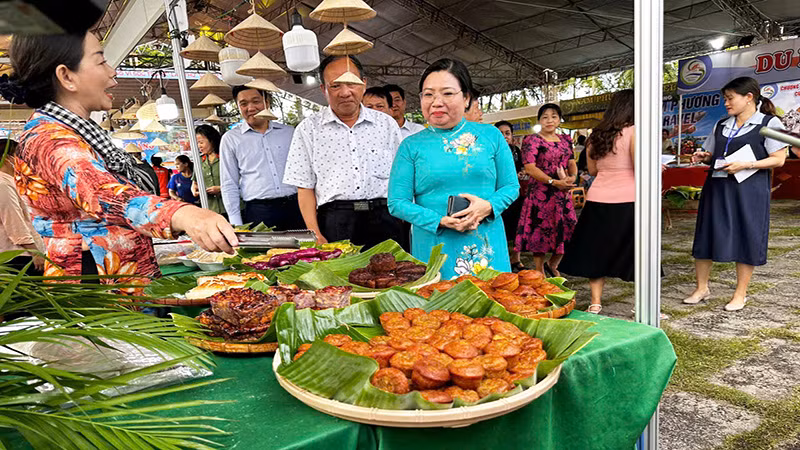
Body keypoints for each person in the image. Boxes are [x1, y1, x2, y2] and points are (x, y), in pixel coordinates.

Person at [0, 31, 236, 286]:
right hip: (95, 285)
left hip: (120, 275)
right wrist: (187, 215)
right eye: (101, 61)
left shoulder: (78, 130)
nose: (112, 73)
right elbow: (101, 192)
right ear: (67, 76)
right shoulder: (47, 138)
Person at [388, 58, 519, 278]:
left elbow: (510, 186)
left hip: (486, 242)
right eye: (428, 94)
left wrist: (487, 207)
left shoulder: (491, 136)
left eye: (447, 93)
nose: (436, 102)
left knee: (493, 306)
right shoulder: (410, 146)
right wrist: (438, 221)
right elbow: (396, 203)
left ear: (466, 98)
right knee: (439, 309)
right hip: (434, 247)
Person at [684, 77, 788, 312]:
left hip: (749, 191)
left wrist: (746, 165)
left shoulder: (771, 123)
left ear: (749, 97)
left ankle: (740, 294)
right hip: (717, 187)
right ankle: (702, 288)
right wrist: (704, 156)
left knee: (747, 235)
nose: (726, 103)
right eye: (725, 98)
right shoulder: (721, 125)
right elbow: (713, 153)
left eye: (730, 98)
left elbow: (779, 159)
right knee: (706, 233)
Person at [283, 55, 406, 249]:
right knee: (338, 278)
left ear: (363, 84)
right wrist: (315, 234)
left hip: (385, 218)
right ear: (323, 89)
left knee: (395, 276)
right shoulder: (309, 129)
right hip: (335, 222)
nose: (345, 92)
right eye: (335, 86)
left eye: (351, 83)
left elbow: (402, 176)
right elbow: (304, 187)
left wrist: (404, 220)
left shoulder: (386, 124)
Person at [559, 89, 638, 314]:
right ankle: (640, 303)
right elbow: (639, 167)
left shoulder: (596, 135)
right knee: (636, 251)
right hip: (628, 199)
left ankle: (595, 302)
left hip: (597, 198)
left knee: (596, 250)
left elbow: (592, 169)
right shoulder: (634, 131)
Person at [220, 85, 302, 229]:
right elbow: (229, 183)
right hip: (259, 212)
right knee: (264, 252)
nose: (250, 108)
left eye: (256, 101)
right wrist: (236, 224)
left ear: (267, 102)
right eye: (243, 104)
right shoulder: (231, 139)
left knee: (305, 250)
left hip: (296, 207)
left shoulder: (289, 133)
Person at [514, 103, 577, 277]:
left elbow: (571, 162)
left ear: (559, 119)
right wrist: (553, 181)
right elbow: (530, 167)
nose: (549, 120)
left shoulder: (566, 140)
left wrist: (572, 177)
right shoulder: (532, 140)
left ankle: (553, 264)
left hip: (561, 193)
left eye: (554, 116)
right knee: (539, 232)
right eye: (545, 117)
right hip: (541, 193)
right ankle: (539, 271)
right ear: (539, 120)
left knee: (569, 228)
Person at [0, 139, 45, 275]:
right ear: (7, 158)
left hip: (24, 253)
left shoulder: (11, 182)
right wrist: (35, 251)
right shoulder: (2, 185)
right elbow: (14, 222)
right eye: (21, 157)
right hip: (18, 256)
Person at [494, 120, 527, 272]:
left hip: (515, 196)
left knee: (516, 229)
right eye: (501, 133)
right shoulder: (491, 151)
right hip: (497, 196)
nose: (504, 136)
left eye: (507, 133)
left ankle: (516, 259)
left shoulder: (515, 151)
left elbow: (521, 168)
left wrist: (521, 173)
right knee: (502, 229)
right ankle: (501, 257)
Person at [191, 125, 226, 218]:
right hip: (210, 209)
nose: (199, 146)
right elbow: (194, 184)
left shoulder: (225, 157)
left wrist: (221, 189)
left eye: (201, 142)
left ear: (212, 140)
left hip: (229, 207)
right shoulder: (199, 161)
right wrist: (195, 191)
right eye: (197, 143)